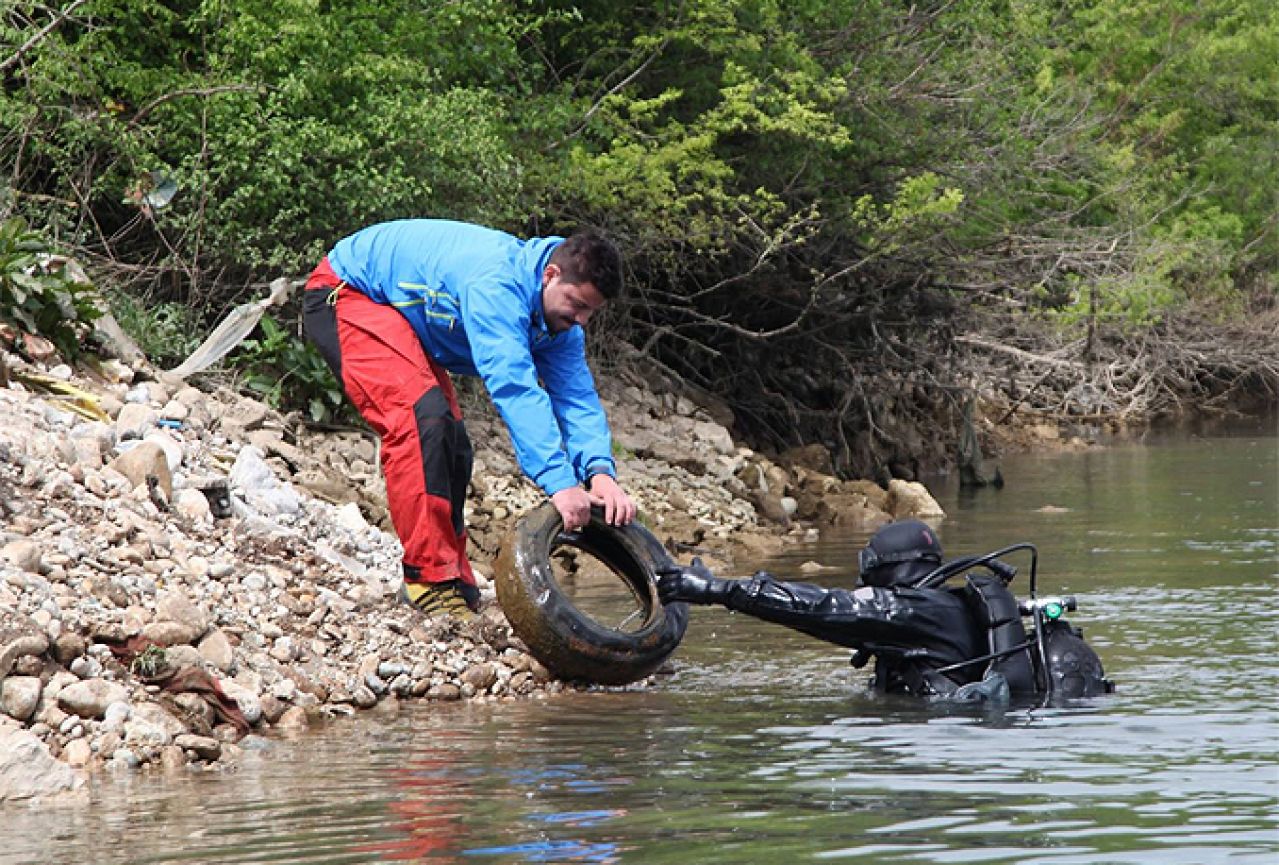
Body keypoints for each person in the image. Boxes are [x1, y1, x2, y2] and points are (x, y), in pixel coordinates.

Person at [303, 219, 637, 619]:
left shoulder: (559, 324)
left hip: (397, 314)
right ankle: (428, 582)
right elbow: (515, 388)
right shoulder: (496, 286)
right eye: (578, 305)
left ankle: (453, 576)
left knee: (452, 442)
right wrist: (560, 483)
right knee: (421, 422)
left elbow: (576, 397)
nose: (582, 320)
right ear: (550, 275)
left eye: (591, 312)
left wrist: (600, 472)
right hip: (348, 293)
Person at [657, 519, 1112, 702]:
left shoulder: (915, 609)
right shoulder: (948, 604)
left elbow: (823, 609)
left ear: (886, 571)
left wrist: (718, 589)